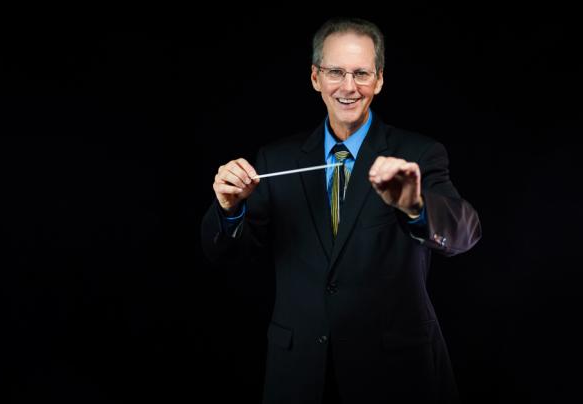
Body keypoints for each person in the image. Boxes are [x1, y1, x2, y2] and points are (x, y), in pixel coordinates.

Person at [202, 17, 481, 404]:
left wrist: (415, 206)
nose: (349, 87)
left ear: (379, 80)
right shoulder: (275, 158)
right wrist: (230, 209)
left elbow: (465, 233)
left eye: (361, 73)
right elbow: (230, 255)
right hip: (299, 375)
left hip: (394, 374)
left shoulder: (418, 154)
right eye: (336, 72)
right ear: (316, 77)